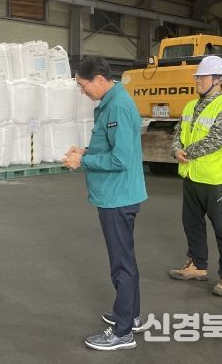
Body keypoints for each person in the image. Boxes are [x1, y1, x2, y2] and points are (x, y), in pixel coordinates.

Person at [63, 56, 147, 351]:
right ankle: (130, 316)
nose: (82, 91)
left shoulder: (118, 107)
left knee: (121, 264)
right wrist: (86, 150)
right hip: (117, 195)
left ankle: (122, 332)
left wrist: (82, 161)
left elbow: (120, 159)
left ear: (99, 79)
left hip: (117, 197)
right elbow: (111, 145)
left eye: (83, 85)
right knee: (125, 259)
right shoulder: (112, 103)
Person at [169, 55, 222, 297]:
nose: (198, 80)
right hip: (192, 176)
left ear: (219, 79)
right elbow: (178, 132)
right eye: (197, 76)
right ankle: (197, 266)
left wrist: (187, 152)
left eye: (203, 76)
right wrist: (175, 149)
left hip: (216, 179)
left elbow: (217, 139)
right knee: (191, 224)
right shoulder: (189, 106)